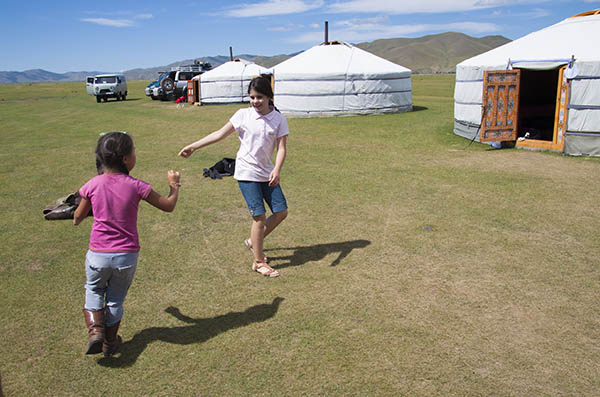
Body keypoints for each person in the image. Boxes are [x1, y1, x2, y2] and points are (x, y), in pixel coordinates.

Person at [74, 131, 181, 357]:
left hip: (97, 254)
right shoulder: (137, 186)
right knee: (115, 299)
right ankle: (110, 343)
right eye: (133, 152)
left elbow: (77, 218)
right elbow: (168, 206)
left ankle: (95, 331)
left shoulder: (92, 184)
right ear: (125, 159)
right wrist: (174, 186)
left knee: (93, 289)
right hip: (126, 255)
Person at [179, 76, 288, 278]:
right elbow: (219, 134)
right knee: (259, 217)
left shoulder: (279, 119)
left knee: (281, 212)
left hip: (267, 172)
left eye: (260, 97)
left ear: (269, 97)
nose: (255, 101)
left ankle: (253, 241)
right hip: (247, 172)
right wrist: (193, 146)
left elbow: (281, 148)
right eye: (252, 97)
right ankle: (258, 261)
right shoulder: (242, 115)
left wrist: (277, 169)